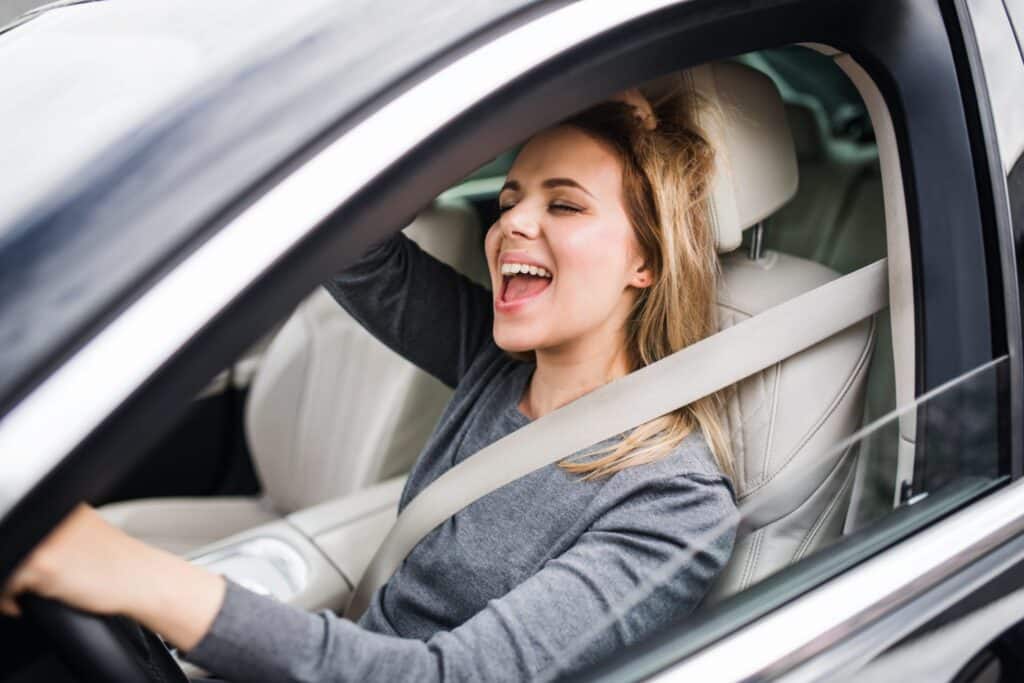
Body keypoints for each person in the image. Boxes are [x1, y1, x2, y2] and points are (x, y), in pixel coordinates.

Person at [1, 86, 739, 682]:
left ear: (647, 261)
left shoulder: (673, 501)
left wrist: (136, 578)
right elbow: (355, 252)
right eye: (509, 197)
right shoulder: (496, 361)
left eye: (565, 203)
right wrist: (486, 118)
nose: (512, 223)